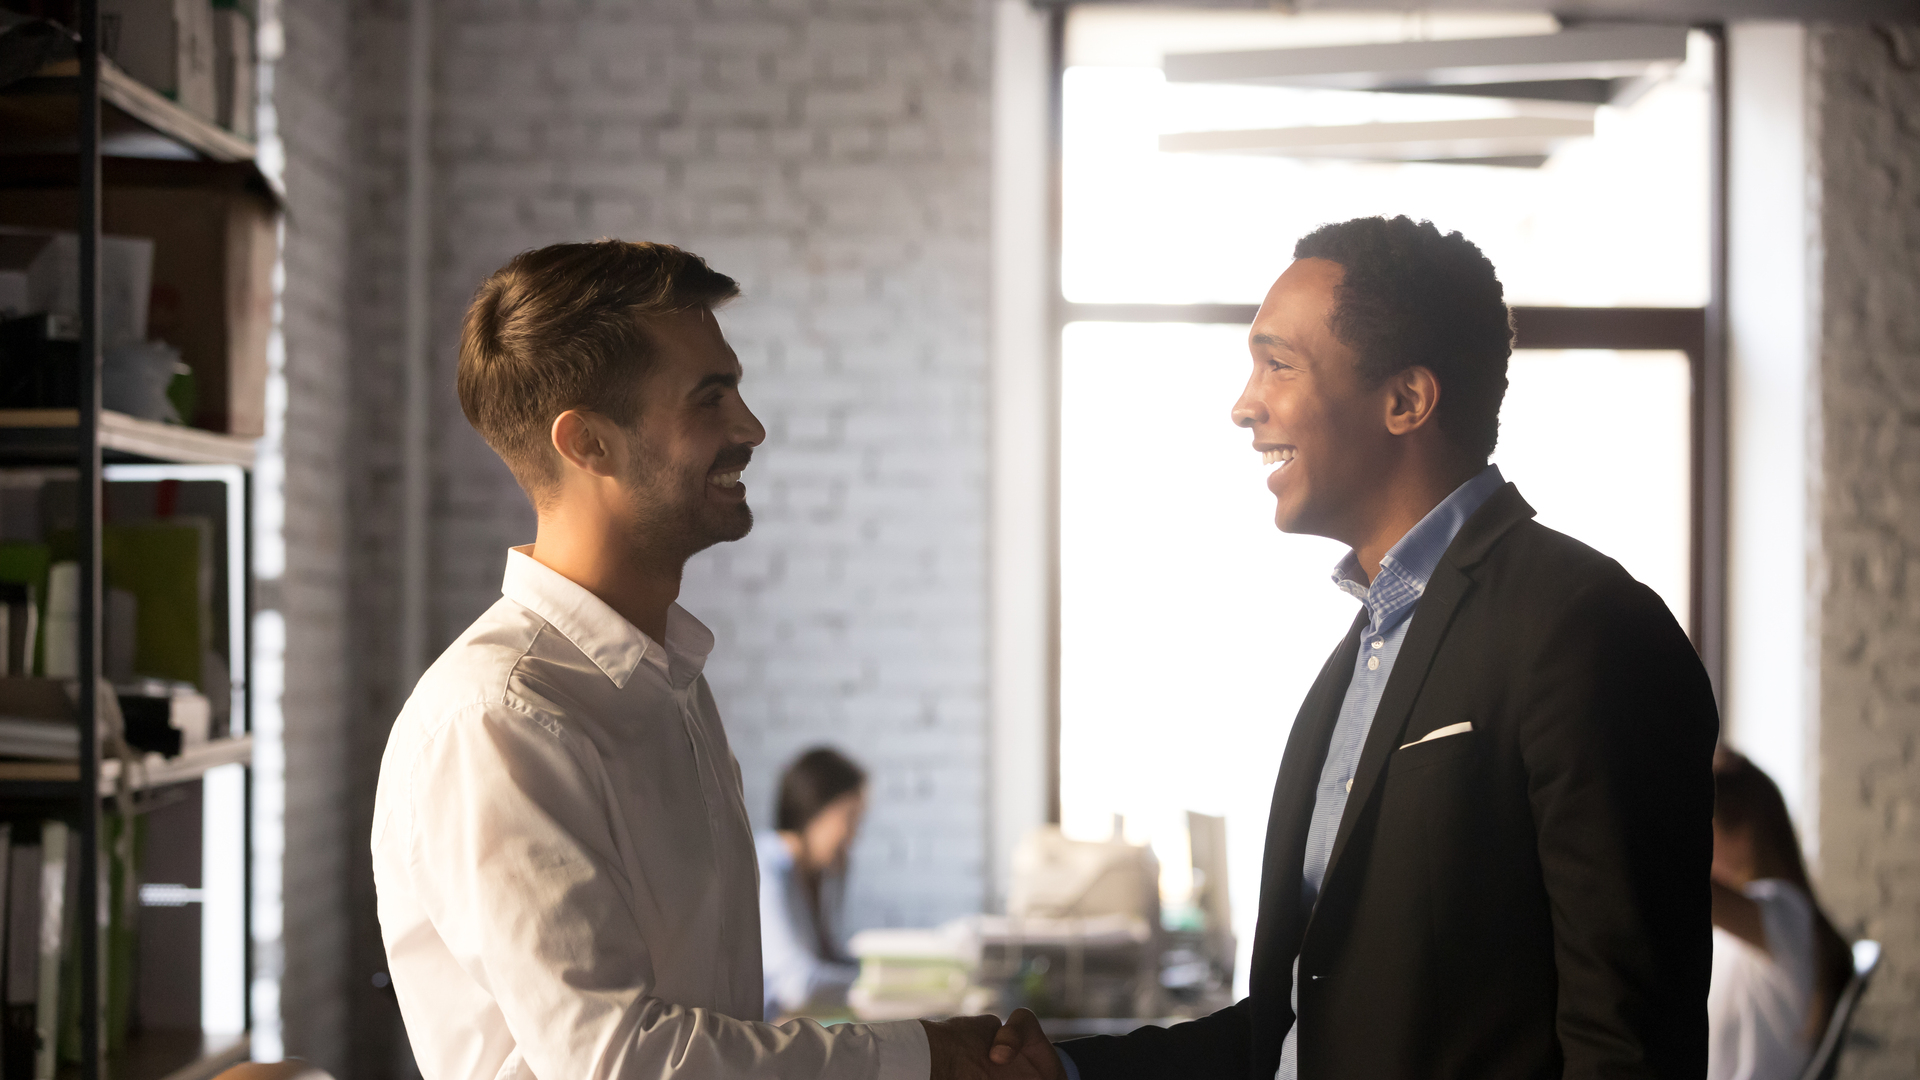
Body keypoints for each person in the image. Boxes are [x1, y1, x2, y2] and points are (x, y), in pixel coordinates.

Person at [990, 215, 1720, 1080]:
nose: (1243, 404)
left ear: (1406, 400)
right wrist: (1071, 1074)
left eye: (1278, 364)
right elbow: (1306, 1026)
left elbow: (1628, 1043)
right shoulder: (1370, 645)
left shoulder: (1585, 627)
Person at [370, 240, 1031, 1080]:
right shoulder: (499, 717)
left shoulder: (665, 684)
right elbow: (614, 1061)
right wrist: (920, 1058)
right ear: (588, 444)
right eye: (709, 399)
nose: (750, 429)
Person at [1708, 748, 1853, 1080]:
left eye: (1705, 830)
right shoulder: (1764, 921)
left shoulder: (1784, 910)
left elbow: (1681, 883)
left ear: (1743, 834)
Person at [760, 748, 869, 1019]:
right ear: (814, 808)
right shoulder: (766, 865)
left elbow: (826, 961)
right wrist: (879, 987)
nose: (853, 836)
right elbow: (794, 986)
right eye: (849, 818)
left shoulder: (815, 875)